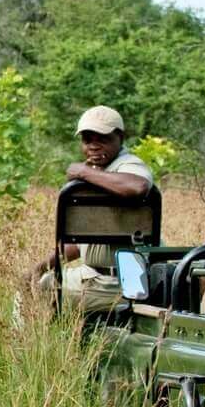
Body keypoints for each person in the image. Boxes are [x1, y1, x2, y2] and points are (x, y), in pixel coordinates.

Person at [32, 105, 154, 297]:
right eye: (87, 139)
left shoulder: (128, 164)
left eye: (103, 139)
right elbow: (83, 242)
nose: (93, 146)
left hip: (119, 281)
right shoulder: (101, 173)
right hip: (96, 276)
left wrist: (82, 172)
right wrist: (40, 267)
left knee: (38, 289)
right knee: (34, 279)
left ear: (120, 138)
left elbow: (137, 187)